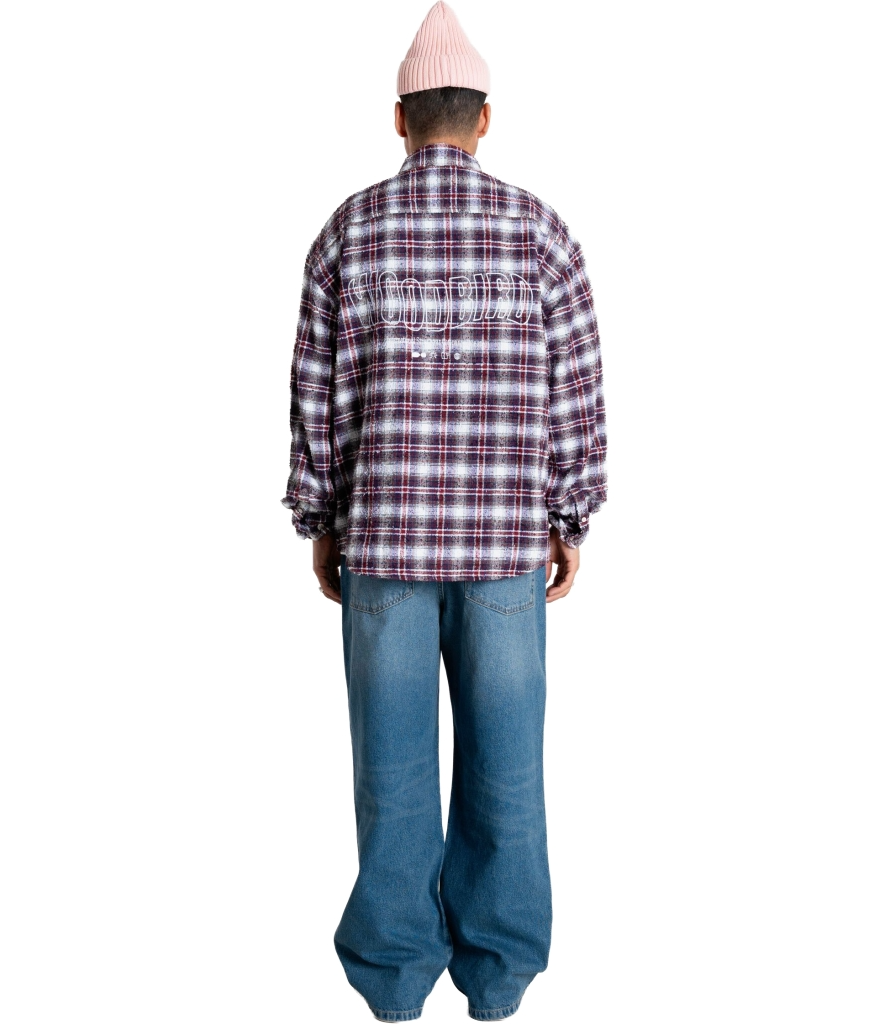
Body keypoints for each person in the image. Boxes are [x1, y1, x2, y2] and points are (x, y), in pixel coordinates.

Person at [281, 3, 607, 1019]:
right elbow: (576, 388)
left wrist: (320, 519)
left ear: (399, 118)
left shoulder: (349, 231)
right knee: (508, 772)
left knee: (391, 772)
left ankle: (392, 982)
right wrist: (569, 516)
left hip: (383, 543)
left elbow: (317, 394)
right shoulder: (540, 232)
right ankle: (499, 978)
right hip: (505, 545)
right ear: (485, 118)